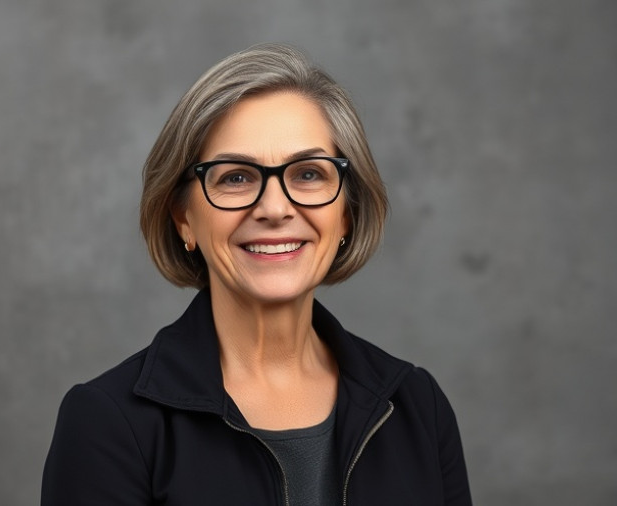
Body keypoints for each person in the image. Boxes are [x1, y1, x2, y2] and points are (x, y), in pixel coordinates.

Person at [41, 43, 472, 506]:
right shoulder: (108, 424)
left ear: (345, 214)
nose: (275, 209)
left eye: (308, 174)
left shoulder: (416, 406)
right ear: (183, 217)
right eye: (236, 177)